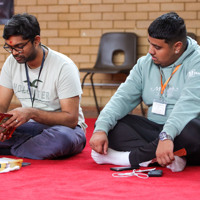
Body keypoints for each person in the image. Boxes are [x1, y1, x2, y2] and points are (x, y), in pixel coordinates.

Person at [89, 12, 200, 172]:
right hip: (155, 130)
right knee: (113, 126)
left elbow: (188, 104)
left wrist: (167, 136)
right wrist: (101, 128)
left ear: (177, 47)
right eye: (150, 44)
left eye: (157, 47)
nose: (150, 51)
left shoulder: (197, 61)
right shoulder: (144, 64)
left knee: (193, 131)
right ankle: (171, 157)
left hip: (185, 129)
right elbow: (122, 98)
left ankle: (128, 158)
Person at [0, 13, 87, 160]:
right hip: (27, 128)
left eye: (19, 47)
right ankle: (27, 148)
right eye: (10, 47)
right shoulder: (11, 62)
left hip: (63, 130)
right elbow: (2, 104)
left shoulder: (64, 66)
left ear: (36, 41)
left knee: (61, 140)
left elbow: (71, 119)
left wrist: (32, 113)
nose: (14, 53)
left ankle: (12, 149)